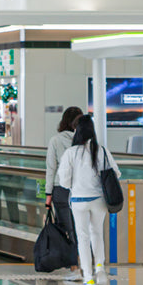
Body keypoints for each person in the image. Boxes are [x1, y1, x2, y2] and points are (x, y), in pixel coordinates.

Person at [57, 114, 121, 285]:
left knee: (83, 238)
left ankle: (88, 279)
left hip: (78, 201)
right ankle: (100, 270)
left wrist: (75, 185)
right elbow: (115, 173)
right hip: (99, 201)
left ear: (76, 131)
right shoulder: (101, 150)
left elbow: (64, 181)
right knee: (97, 234)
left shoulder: (71, 153)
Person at [44, 107, 84, 276]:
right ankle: (82, 262)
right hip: (81, 189)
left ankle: (73, 263)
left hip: (61, 189)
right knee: (80, 227)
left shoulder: (55, 140)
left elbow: (51, 169)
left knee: (66, 228)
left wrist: (48, 195)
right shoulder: (84, 140)